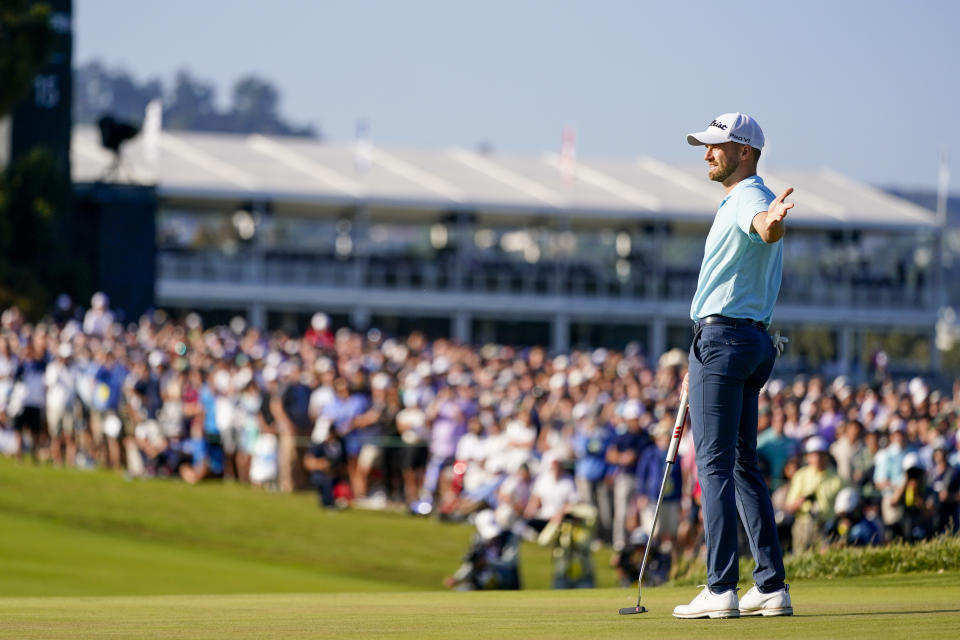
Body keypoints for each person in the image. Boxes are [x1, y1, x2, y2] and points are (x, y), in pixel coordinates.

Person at [674, 113, 795, 619]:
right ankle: (769, 585)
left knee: (715, 466)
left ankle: (721, 587)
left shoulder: (748, 195)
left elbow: (764, 227)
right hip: (748, 342)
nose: (707, 154)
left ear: (744, 152)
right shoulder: (739, 197)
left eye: (717, 146)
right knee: (743, 465)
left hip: (724, 338)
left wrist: (771, 222)